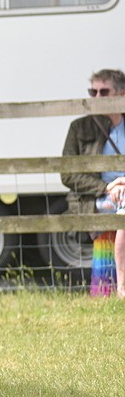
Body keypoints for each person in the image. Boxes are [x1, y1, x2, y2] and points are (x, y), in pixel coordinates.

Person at [61, 68, 125, 296]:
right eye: (93, 91)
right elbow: (67, 175)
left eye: (103, 91)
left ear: (121, 94)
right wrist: (107, 187)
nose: (96, 97)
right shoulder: (79, 127)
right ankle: (120, 287)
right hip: (95, 198)